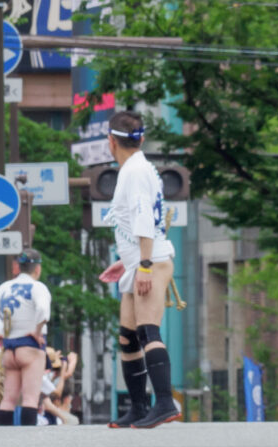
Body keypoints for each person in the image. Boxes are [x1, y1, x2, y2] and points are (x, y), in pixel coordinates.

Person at [98, 111, 180, 429]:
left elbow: (145, 217)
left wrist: (144, 265)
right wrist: (129, 261)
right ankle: (139, 406)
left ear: (110, 141)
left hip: (151, 261)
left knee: (148, 330)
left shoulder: (134, 172)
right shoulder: (138, 168)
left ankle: (163, 403)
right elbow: (140, 223)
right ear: (141, 139)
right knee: (128, 336)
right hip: (140, 261)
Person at [0, 250, 51, 426]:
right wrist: (37, 331)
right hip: (29, 347)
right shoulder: (38, 287)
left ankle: (3, 439)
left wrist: (0, 330)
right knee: (30, 398)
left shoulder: (4, 287)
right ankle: (27, 442)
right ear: (37, 268)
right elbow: (43, 311)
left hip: (9, 348)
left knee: (8, 399)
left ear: (18, 267)